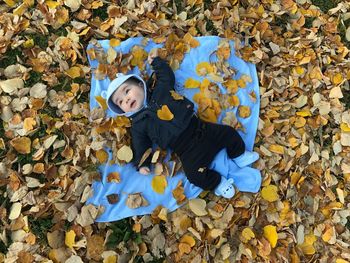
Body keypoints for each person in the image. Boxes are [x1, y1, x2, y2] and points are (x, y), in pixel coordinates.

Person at [103, 48, 259, 198]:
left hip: (201, 128)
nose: (127, 99)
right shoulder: (138, 124)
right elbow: (140, 145)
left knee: (227, 133)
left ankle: (239, 154)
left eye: (127, 91)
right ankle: (218, 183)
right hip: (186, 151)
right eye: (121, 101)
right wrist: (143, 164)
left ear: (139, 85)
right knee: (194, 176)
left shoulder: (160, 90)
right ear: (121, 109)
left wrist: (156, 62)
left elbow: (166, 77)